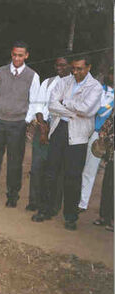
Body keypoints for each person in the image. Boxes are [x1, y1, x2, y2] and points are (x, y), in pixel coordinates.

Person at [33, 55, 102, 230]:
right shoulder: (65, 81)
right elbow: (52, 104)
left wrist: (65, 104)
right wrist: (73, 109)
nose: (76, 72)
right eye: (74, 68)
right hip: (59, 130)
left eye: (80, 69)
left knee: (72, 177)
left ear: (88, 67)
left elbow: (87, 109)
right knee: (50, 172)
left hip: (78, 136)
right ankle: (46, 209)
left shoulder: (95, 87)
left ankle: (70, 216)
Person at [0, 40, 40, 207]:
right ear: (11, 54)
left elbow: (35, 101)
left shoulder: (33, 76)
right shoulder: (0, 72)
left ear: (26, 56)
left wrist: (25, 120)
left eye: (20, 55)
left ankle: (13, 195)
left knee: (15, 162)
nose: (17, 58)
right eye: (15, 55)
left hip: (18, 124)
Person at [26, 56, 70, 214]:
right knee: (37, 165)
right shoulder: (48, 82)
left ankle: (52, 205)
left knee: (56, 169)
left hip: (60, 130)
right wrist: (42, 126)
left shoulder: (73, 85)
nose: (59, 68)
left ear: (71, 65)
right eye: (57, 65)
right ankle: (34, 201)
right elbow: (37, 104)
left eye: (63, 65)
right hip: (42, 126)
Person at [77, 69, 113, 213]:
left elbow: (101, 111)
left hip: (99, 135)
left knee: (90, 170)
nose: (113, 76)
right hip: (83, 130)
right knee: (76, 165)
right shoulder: (98, 88)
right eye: (112, 73)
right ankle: (73, 197)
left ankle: (82, 202)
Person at [93, 110, 114, 231]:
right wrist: (103, 134)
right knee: (107, 185)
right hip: (111, 154)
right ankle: (104, 216)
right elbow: (108, 123)